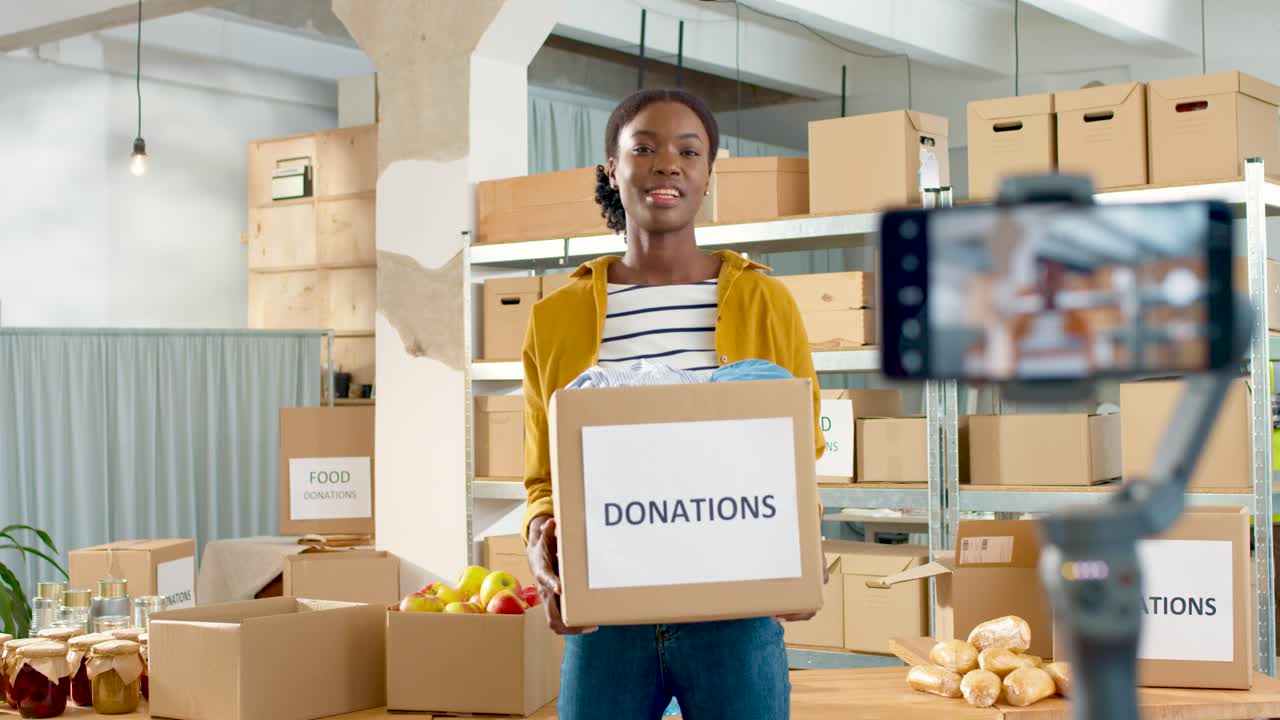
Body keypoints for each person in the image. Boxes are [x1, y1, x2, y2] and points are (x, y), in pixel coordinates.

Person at [520, 88, 824, 720]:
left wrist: (800, 554)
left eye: (690, 150)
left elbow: (796, 455)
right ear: (612, 169)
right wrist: (539, 547)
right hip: (609, 617)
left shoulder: (766, 302)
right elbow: (543, 478)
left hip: (733, 614)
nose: (668, 164)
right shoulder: (556, 319)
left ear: (708, 173)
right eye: (645, 148)